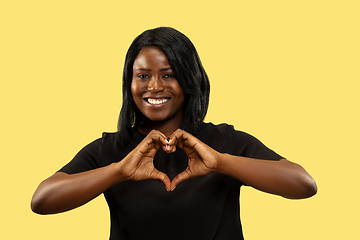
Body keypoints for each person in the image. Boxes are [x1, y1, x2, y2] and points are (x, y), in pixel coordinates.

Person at [31, 27, 317, 240]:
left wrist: (221, 163)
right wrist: (118, 171)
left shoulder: (224, 142)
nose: (154, 86)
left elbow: (303, 183)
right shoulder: (111, 149)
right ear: (129, 83)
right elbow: (42, 200)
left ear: (190, 79)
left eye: (169, 74)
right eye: (142, 76)